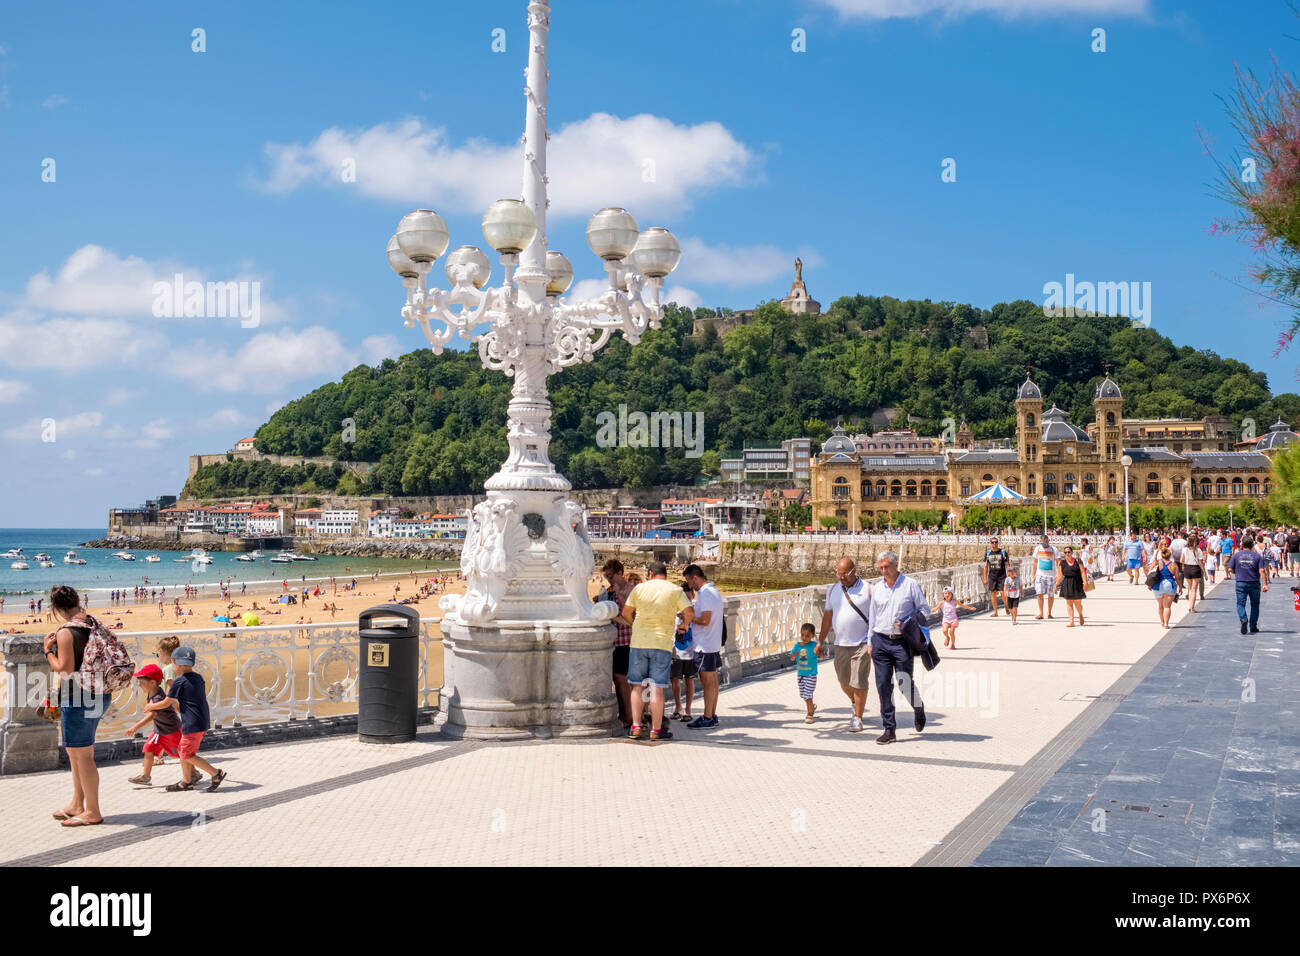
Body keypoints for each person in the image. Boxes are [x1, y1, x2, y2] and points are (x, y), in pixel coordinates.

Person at [44, 585, 108, 827]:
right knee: (77, 753)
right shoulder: (93, 622)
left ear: (57, 608)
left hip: (78, 698)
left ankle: (92, 811)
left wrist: (47, 652)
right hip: (100, 693)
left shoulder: (66, 632)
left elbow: (64, 668)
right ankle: (77, 803)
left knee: (83, 756)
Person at [622, 562, 692, 741]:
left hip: (638, 643)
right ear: (665, 575)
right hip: (661, 644)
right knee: (656, 688)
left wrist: (634, 624)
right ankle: (656, 729)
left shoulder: (639, 589)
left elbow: (626, 611)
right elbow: (689, 611)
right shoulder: (674, 590)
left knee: (637, 686)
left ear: (650, 573)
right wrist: (684, 625)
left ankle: (636, 727)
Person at [866, 551, 927, 745]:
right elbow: (872, 616)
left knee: (904, 683)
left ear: (896, 564)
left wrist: (909, 622)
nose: (884, 571)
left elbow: (924, 611)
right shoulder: (877, 588)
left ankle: (918, 708)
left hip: (902, 642)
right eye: (881, 568)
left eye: (887, 567)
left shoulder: (910, 585)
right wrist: (869, 641)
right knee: (883, 685)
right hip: (880, 641)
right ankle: (889, 729)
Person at [815, 557, 873, 733]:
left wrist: (875, 639)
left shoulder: (869, 589)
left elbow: (878, 614)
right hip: (840, 643)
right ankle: (855, 702)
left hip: (862, 642)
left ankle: (858, 717)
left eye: (845, 574)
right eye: (839, 574)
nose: (841, 577)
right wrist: (820, 641)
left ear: (854, 571)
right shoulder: (833, 589)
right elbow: (827, 617)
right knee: (844, 682)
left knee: (859, 681)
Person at [163, 646, 226, 791]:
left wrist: (151, 707)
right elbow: (191, 701)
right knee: (182, 750)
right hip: (201, 721)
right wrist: (178, 707)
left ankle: (215, 773)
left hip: (192, 724)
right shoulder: (198, 678)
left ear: (175, 663)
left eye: (173, 663)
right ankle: (186, 781)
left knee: (186, 754)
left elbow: (167, 702)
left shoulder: (179, 681)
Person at [125, 663, 198, 787]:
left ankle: (194, 773)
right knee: (148, 748)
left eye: (142, 682)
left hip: (171, 731)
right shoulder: (153, 693)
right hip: (159, 731)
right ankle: (145, 776)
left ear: (153, 682)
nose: (139, 685)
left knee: (183, 753)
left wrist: (135, 727)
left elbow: (152, 715)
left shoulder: (158, 697)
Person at [682, 565, 723, 729]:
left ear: (695, 578)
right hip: (711, 642)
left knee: (707, 681)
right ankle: (712, 715)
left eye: (689, 581)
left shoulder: (705, 594)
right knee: (712, 680)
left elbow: (705, 621)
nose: (689, 585)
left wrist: (689, 618)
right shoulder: (714, 591)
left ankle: (707, 717)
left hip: (704, 645)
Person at [1226, 533, 1269, 635]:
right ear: (1252, 545)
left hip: (1241, 582)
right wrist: (1265, 584)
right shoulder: (1257, 556)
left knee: (1240, 604)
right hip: (1254, 583)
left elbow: (1230, 569)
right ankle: (1253, 626)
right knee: (1255, 605)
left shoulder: (1237, 555)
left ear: (1242, 545)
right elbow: (1262, 570)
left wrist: (1236, 572)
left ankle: (1243, 619)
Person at [669, 583, 697, 722]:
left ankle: (688, 709)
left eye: (688, 596)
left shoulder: (696, 611)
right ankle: (678, 706)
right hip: (676, 651)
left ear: (692, 595)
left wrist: (689, 618)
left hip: (691, 651)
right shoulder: (673, 612)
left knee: (689, 680)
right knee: (674, 680)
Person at [790, 622, 820, 723]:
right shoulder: (798, 645)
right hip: (801, 674)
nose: (804, 637)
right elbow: (791, 657)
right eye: (802, 635)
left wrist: (820, 653)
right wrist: (794, 655)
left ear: (812, 635)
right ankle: (812, 706)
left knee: (808, 694)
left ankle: (810, 715)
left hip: (811, 674)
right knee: (803, 694)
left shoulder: (814, 645)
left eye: (807, 636)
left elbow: (822, 655)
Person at [1055, 545, 1087, 627]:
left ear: (1072, 553)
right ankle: (1071, 621)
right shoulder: (1062, 563)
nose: (1067, 553)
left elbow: (1083, 572)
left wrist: (1085, 583)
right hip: (1067, 583)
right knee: (1069, 603)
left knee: (1078, 603)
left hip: (1077, 583)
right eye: (1065, 552)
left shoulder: (1078, 561)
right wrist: (1056, 585)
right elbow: (1059, 575)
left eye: (1069, 552)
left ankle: (1080, 614)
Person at [1149, 546, 1180, 628]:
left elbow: (1150, 572)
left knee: (1160, 605)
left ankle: (1162, 622)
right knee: (1167, 606)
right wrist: (1180, 587)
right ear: (1170, 555)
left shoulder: (1158, 563)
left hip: (1158, 585)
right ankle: (1166, 623)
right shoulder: (1173, 565)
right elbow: (1177, 577)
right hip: (1169, 584)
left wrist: (1149, 584)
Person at [982, 537, 1009, 617]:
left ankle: (1006, 606)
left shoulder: (1003, 552)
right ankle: (995, 611)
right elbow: (985, 566)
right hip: (992, 576)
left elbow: (1007, 564)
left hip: (1002, 576)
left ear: (998, 543)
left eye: (996, 542)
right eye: (993, 542)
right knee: (993, 593)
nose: (994, 544)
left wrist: (1009, 576)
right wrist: (985, 578)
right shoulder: (988, 553)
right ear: (990, 543)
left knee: (1002, 593)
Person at [1033, 533, 1058, 619]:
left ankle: (1049, 612)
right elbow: (1035, 562)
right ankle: (1041, 613)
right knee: (1039, 593)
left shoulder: (1054, 549)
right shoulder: (1037, 549)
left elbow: (1058, 562)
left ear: (1048, 541)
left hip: (1051, 575)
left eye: (1045, 543)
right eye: (1042, 543)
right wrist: (1034, 575)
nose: (1043, 545)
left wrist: (1058, 575)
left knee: (1050, 594)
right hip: (1040, 575)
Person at [1181, 532, 1204, 612]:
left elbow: (1181, 560)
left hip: (1187, 568)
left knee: (1190, 588)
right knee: (1194, 589)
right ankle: (1192, 607)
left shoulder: (1184, 550)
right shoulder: (1198, 550)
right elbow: (1201, 562)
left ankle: (1189, 606)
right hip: (1195, 568)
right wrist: (1204, 572)